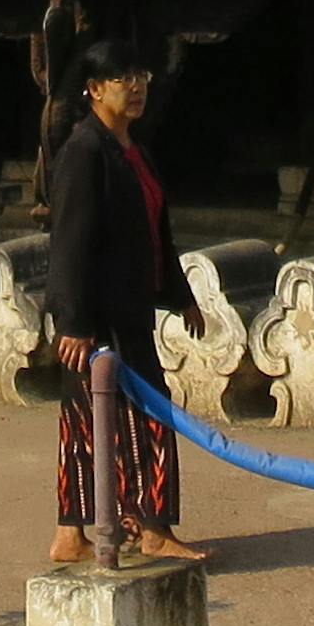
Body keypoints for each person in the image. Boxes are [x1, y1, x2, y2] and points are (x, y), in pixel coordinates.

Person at [42, 39, 203, 566]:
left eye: (140, 76)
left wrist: (181, 297)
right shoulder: (83, 152)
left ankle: (71, 535)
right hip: (98, 317)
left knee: (88, 421)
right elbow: (70, 241)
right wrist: (74, 321)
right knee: (141, 421)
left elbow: (157, 232)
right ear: (93, 90)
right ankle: (152, 530)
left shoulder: (133, 148)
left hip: (129, 307)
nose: (134, 88)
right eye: (120, 79)